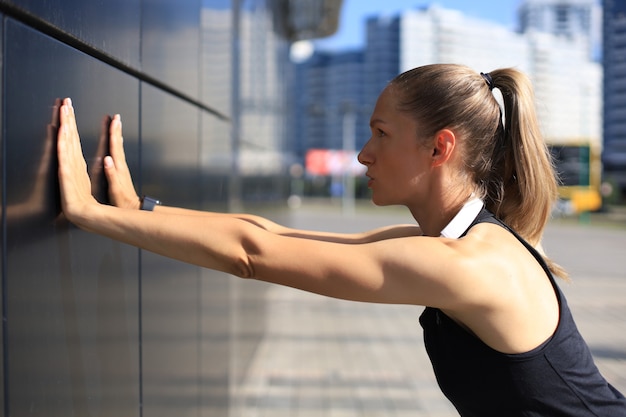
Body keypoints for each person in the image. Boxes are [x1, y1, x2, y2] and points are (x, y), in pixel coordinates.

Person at [57, 63, 626, 416]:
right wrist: (140, 210)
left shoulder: (469, 265)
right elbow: (268, 235)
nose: (363, 153)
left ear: (439, 148)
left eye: (381, 133)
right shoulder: (447, 245)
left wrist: (90, 213)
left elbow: (252, 258)